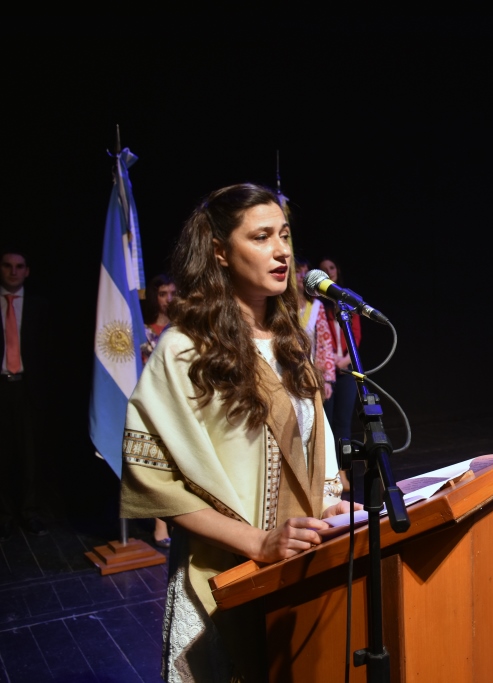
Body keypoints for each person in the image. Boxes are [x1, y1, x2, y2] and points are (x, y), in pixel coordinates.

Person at [119, 184, 358, 682]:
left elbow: (318, 454)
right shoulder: (185, 349)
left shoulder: (293, 342)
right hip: (229, 574)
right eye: (262, 237)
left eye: (286, 236)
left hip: (304, 571)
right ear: (220, 252)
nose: (282, 251)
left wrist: (332, 503)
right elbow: (156, 481)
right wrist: (259, 542)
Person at [0, 248, 49, 538]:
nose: (13, 271)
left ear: (27, 271)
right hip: (1, 386)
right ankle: (5, 515)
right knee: (3, 456)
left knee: (31, 457)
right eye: (7, 266)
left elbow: (48, 350)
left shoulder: (38, 306)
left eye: (19, 266)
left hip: (29, 389)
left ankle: (30, 512)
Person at [141, 273, 177, 548]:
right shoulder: (143, 329)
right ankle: (159, 525)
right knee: (159, 466)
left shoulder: (180, 328)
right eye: (163, 294)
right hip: (153, 404)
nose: (168, 299)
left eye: (172, 293)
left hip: (176, 403)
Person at [318, 256, 361, 452]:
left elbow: (356, 336)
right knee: (326, 422)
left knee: (343, 422)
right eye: (324, 269)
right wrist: (331, 363)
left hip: (346, 367)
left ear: (338, 270)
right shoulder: (318, 304)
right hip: (326, 370)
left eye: (332, 267)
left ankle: (344, 471)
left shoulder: (347, 300)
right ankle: (331, 471)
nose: (329, 271)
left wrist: (344, 361)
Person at [294, 256, 336, 400]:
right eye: (298, 271)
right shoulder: (283, 307)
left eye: (305, 272)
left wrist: (327, 379)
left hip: (312, 373)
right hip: (288, 373)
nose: (302, 276)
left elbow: (326, 342)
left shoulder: (316, 306)